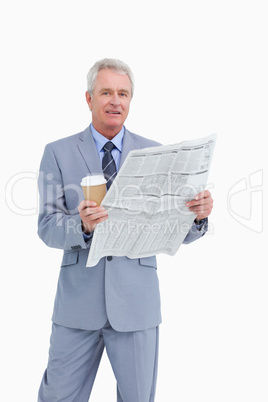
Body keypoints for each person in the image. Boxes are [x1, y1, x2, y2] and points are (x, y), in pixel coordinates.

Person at [37, 58, 213, 402]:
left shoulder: (155, 152)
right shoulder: (57, 153)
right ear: (89, 99)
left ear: (131, 100)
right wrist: (82, 226)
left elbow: (176, 226)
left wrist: (197, 217)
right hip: (77, 306)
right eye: (106, 92)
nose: (115, 101)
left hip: (137, 304)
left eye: (123, 93)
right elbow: (47, 226)